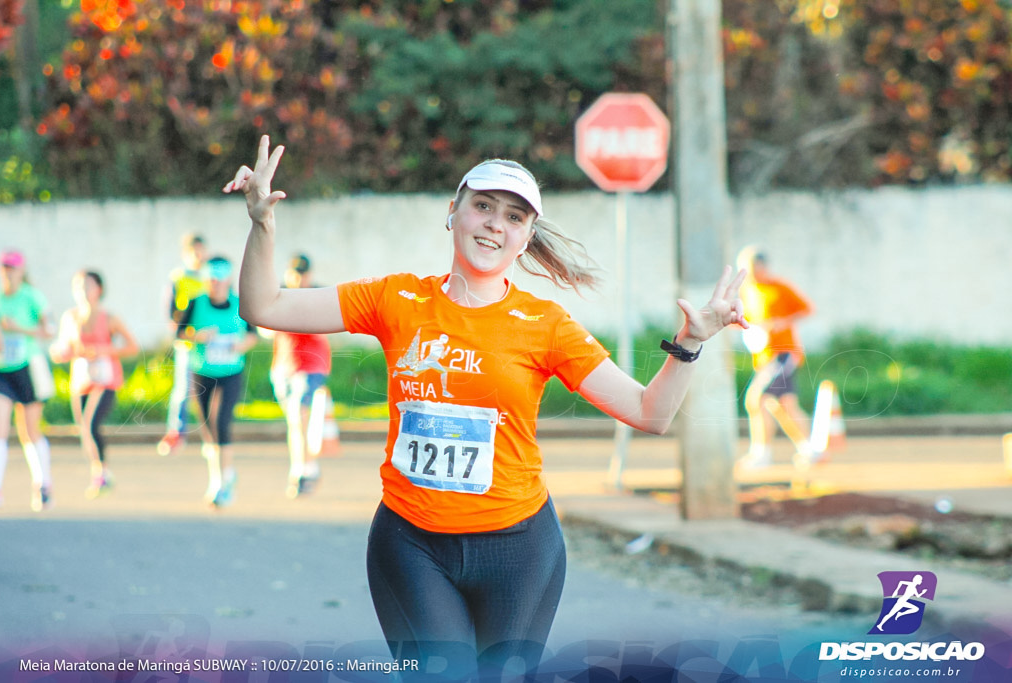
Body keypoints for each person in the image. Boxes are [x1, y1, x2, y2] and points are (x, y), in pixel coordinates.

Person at [225, 136, 746, 677]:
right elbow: (264, 305)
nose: (496, 223)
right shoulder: (395, 299)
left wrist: (691, 341)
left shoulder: (546, 325)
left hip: (518, 551)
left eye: (515, 217)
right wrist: (262, 224)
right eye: (483, 206)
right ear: (452, 214)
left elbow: (649, 413)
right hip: (411, 543)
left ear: (525, 239)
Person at [177, 256, 258, 507]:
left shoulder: (241, 305)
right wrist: (197, 336)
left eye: (220, 279)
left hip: (231, 371)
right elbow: (180, 333)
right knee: (206, 425)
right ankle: (219, 474)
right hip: (203, 371)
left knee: (223, 422)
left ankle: (222, 483)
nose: (216, 284)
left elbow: (253, 336)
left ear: (229, 280)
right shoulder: (195, 303)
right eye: (211, 279)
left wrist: (241, 345)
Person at [50, 271, 139, 498]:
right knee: (83, 429)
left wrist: (105, 350)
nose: (82, 290)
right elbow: (62, 347)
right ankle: (98, 474)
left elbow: (132, 347)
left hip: (106, 379)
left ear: (99, 289)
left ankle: (102, 473)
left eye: (87, 285)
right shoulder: (69, 318)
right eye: (78, 285)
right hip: (81, 379)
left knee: (90, 424)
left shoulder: (109, 318)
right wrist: (60, 353)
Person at [736, 246, 819, 468]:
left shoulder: (779, 287)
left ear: (763, 266)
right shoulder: (747, 291)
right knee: (784, 405)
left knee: (756, 400)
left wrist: (781, 322)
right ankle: (809, 449)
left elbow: (807, 309)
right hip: (763, 358)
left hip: (783, 354)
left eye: (754, 268)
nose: (751, 273)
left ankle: (761, 454)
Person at [269, 253, 341, 499]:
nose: (299, 278)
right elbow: (264, 328)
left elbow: (331, 325)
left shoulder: (320, 294)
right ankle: (308, 467)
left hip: (311, 365)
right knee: (295, 422)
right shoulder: (278, 293)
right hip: (283, 367)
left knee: (298, 416)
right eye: (295, 273)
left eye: (303, 273)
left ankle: (301, 472)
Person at [0, 249, 55, 511]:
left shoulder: (32, 297)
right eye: (4, 267)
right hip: (1, 369)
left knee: (30, 430)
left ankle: (43, 484)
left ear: (21, 271)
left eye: (12, 268)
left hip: (28, 366)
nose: (8, 272)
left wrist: (19, 329)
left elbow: (48, 330)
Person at [157, 233, 209, 456]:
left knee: (210, 390)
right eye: (194, 251)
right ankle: (176, 432)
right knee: (183, 390)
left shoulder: (211, 277)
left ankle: (210, 433)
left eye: (201, 250)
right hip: (188, 344)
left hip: (210, 345)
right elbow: (171, 314)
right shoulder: (178, 278)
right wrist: (185, 332)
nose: (198, 255)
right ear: (185, 254)